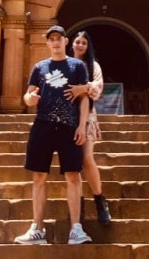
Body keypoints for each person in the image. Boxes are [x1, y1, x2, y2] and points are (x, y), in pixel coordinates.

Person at [14, 25, 92, 245]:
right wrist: (28, 99)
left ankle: (76, 229)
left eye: (59, 38)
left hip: (69, 126)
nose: (56, 42)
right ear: (47, 42)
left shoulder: (77, 66)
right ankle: (37, 229)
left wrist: (82, 125)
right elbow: (29, 94)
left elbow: (84, 97)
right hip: (43, 125)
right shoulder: (39, 67)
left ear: (66, 41)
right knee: (39, 176)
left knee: (73, 175)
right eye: (52, 39)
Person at [65, 31, 112, 225]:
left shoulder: (93, 66)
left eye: (84, 42)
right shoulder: (65, 64)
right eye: (77, 41)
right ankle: (78, 203)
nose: (80, 45)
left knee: (86, 157)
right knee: (71, 162)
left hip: (88, 116)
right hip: (66, 116)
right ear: (72, 44)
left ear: (88, 46)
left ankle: (100, 200)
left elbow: (96, 88)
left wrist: (81, 88)